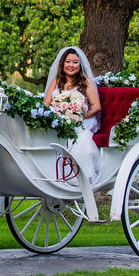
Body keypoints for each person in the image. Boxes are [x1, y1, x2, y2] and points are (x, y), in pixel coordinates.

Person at [44, 46, 102, 183]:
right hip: (59, 123)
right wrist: (57, 113)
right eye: (68, 61)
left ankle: (78, 178)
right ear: (62, 63)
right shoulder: (56, 82)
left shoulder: (86, 82)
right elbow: (46, 104)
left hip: (81, 122)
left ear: (80, 64)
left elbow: (96, 106)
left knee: (82, 140)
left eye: (75, 62)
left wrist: (78, 116)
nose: (71, 65)